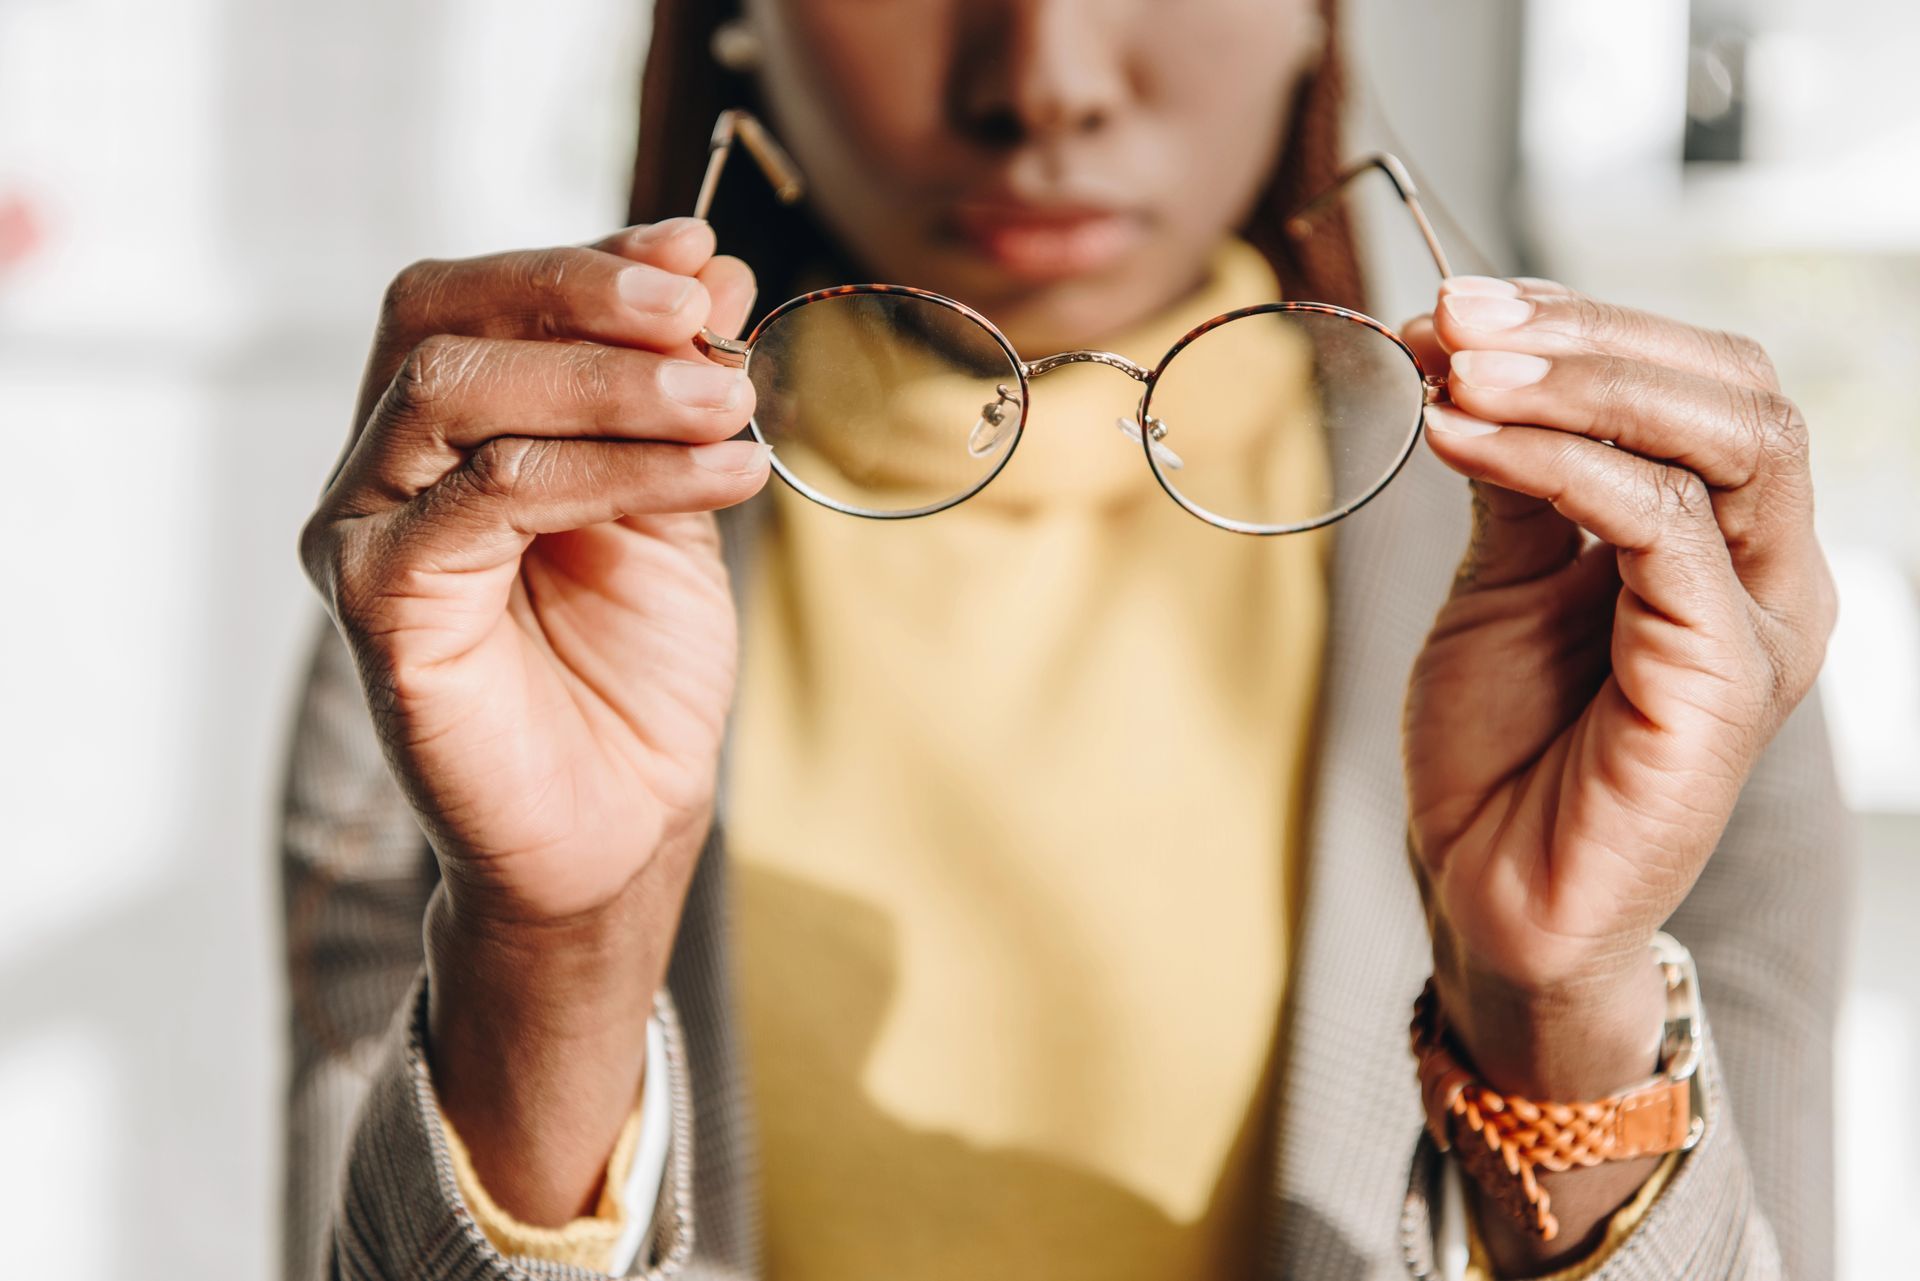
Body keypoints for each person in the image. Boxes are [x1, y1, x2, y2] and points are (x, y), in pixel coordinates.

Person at [281, 1, 1848, 1278]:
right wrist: (551, 958)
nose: (1049, 83)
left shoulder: (1623, 624)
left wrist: (1556, 1016)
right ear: (740, 21)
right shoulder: (495, 615)